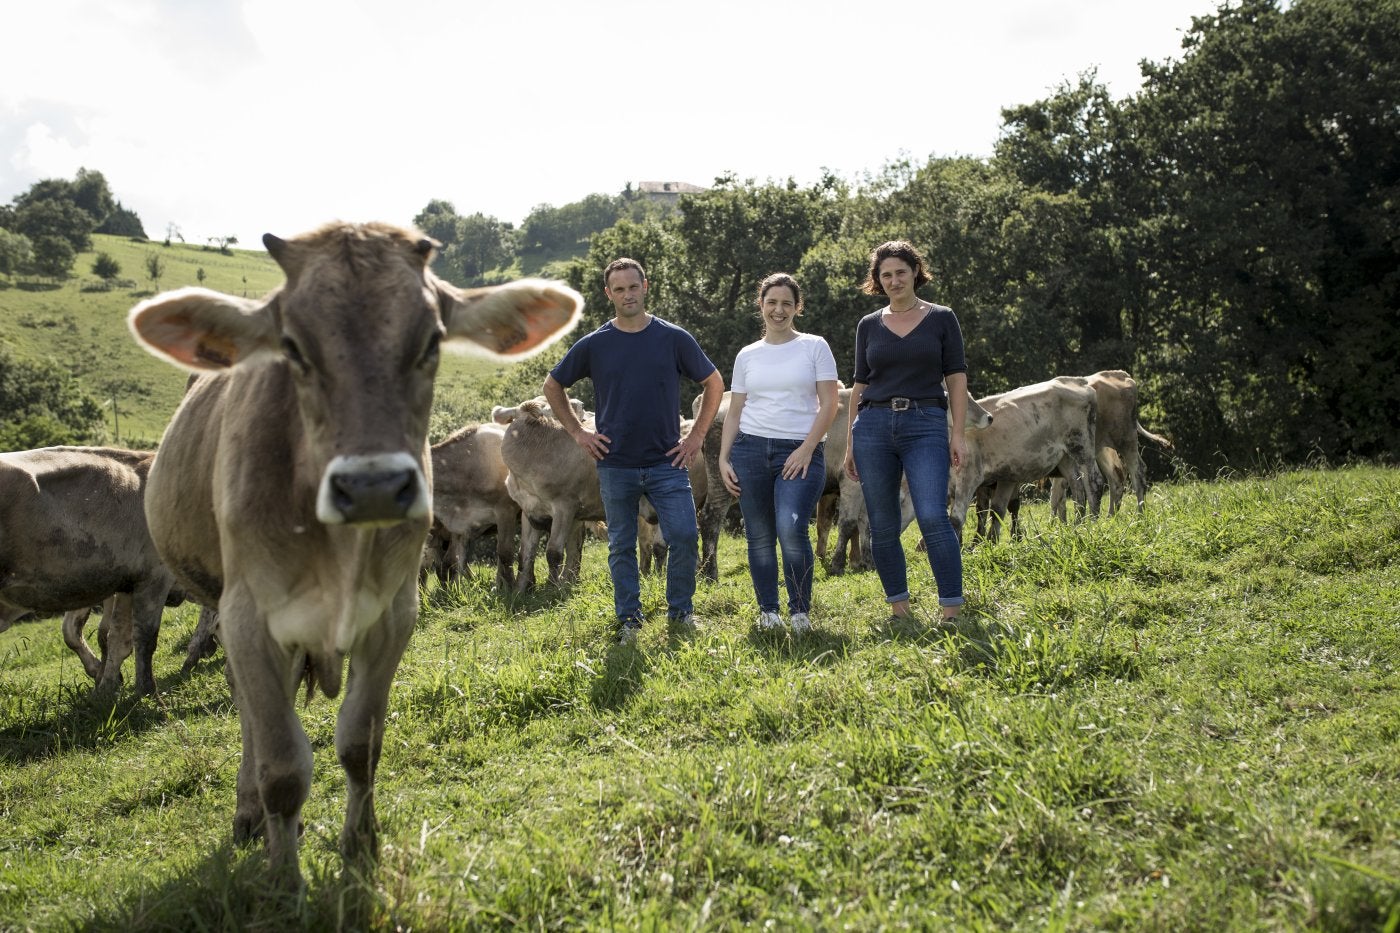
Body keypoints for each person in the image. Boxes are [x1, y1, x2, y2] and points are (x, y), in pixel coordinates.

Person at [543, 257, 724, 644]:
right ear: (609, 294)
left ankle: (681, 613)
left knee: (684, 535)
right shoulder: (595, 344)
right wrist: (579, 433)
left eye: (633, 286)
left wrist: (696, 437)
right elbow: (552, 385)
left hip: (667, 462)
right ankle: (629, 620)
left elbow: (713, 382)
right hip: (615, 464)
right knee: (622, 545)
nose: (628, 294)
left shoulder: (673, 338)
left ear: (646, 286)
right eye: (619, 289)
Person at [842, 240, 968, 623]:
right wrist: (850, 442)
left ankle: (951, 611)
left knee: (932, 516)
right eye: (886, 275)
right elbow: (860, 385)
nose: (894, 280)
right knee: (882, 525)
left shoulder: (942, 318)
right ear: (878, 280)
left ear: (915, 272)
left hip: (925, 422)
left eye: (900, 272)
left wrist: (958, 434)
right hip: (873, 426)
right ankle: (900, 611)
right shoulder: (868, 325)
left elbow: (956, 378)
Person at [718, 273, 839, 634]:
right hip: (750, 451)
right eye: (772, 302)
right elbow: (735, 411)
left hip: (800, 451)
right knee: (758, 535)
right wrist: (724, 458)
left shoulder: (815, 346)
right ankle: (768, 613)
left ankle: (800, 612)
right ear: (761, 305)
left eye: (787, 303)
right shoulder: (747, 355)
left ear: (798, 307)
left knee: (790, 526)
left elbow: (830, 404)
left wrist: (806, 448)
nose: (779, 310)